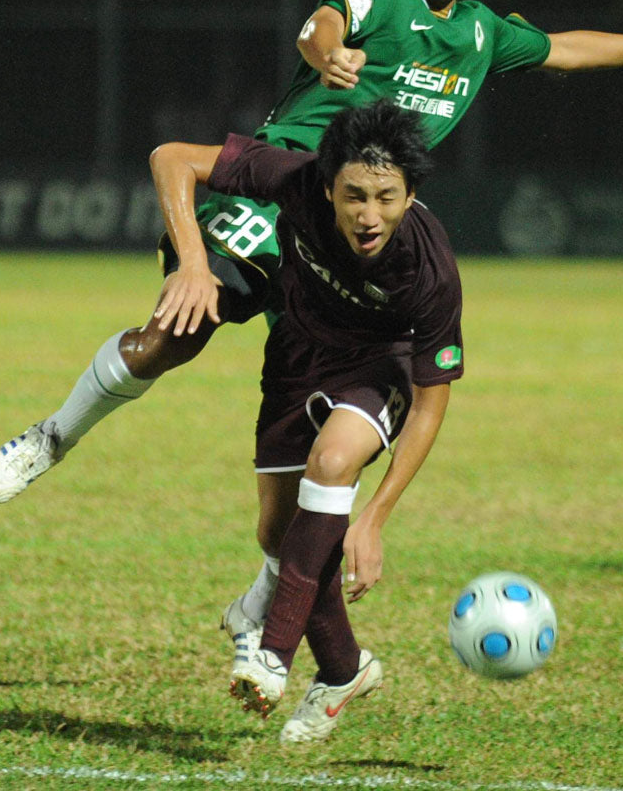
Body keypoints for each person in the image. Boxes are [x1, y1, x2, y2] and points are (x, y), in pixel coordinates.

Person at [0, 0, 623, 690]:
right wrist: (327, 55)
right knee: (177, 336)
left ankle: (268, 617)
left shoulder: (481, 34)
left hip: (358, 239)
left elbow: (563, 48)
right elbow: (323, 23)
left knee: (313, 471)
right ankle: (53, 435)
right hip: (281, 196)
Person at [149, 99, 463, 742]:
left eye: (386, 198)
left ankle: (273, 652)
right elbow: (172, 159)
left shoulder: (430, 268)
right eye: (354, 196)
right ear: (327, 187)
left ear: (409, 196)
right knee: (281, 534)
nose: (368, 216)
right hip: (297, 357)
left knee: (333, 461)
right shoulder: (294, 178)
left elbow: (432, 402)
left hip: (380, 366)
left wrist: (373, 517)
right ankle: (344, 670)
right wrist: (193, 262)